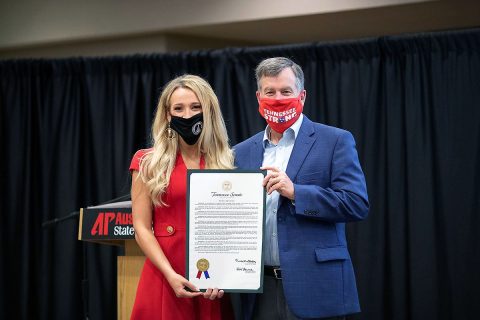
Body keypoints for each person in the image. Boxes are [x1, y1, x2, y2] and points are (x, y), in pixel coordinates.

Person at [233, 57, 369, 320]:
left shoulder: (335, 140)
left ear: (302, 95)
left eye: (286, 91)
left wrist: (296, 192)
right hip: (259, 288)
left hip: (316, 285)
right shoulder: (240, 152)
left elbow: (356, 203)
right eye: (270, 92)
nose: (278, 98)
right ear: (258, 96)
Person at [130, 75, 235, 319]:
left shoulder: (226, 161)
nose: (187, 115)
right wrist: (169, 274)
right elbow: (141, 227)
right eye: (178, 108)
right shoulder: (147, 161)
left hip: (211, 279)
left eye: (195, 107)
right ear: (167, 115)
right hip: (165, 274)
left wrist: (225, 274)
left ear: (208, 111)